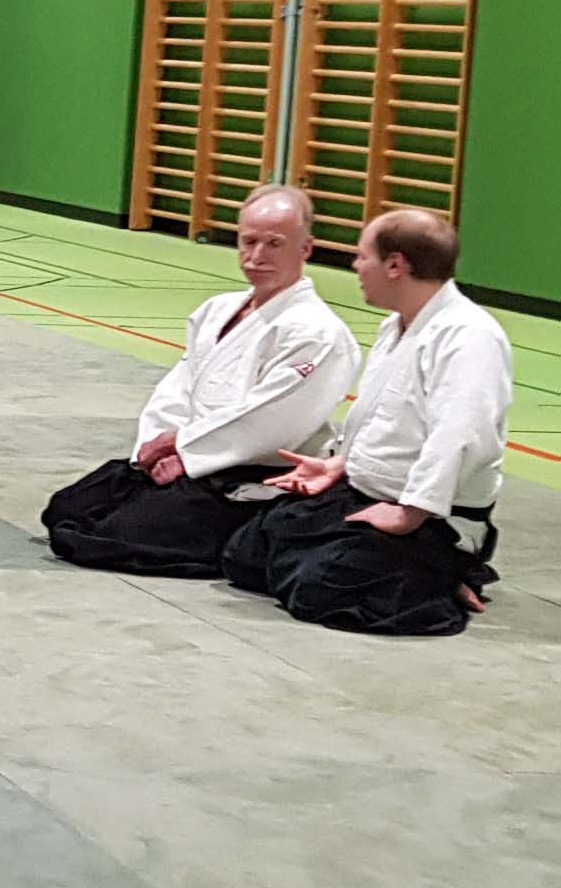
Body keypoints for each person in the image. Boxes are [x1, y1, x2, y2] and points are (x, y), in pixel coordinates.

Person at [223, 207, 516, 636]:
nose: (355, 266)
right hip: (366, 493)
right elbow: (380, 417)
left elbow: (461, 434)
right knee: (246, 554)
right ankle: (409, 568)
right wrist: (339, 464)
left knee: (321, 586)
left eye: (363, 256)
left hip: (433, 516)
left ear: (395, 265)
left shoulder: (469, 336)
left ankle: (441, 568)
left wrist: (410, 513)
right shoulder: (395, 326)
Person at [42, 185, 361, 577]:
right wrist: (154, 448)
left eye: (275, 244)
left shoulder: (318, 332)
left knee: (108, 538)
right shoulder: (217, 309)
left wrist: (184, 450)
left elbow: (269, 422)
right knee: (69, 509)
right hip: (190, 457)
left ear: (305, 248)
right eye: (249, 241)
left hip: (250, 473)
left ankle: (247, 538)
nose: (257, 256)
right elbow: (179, 387)